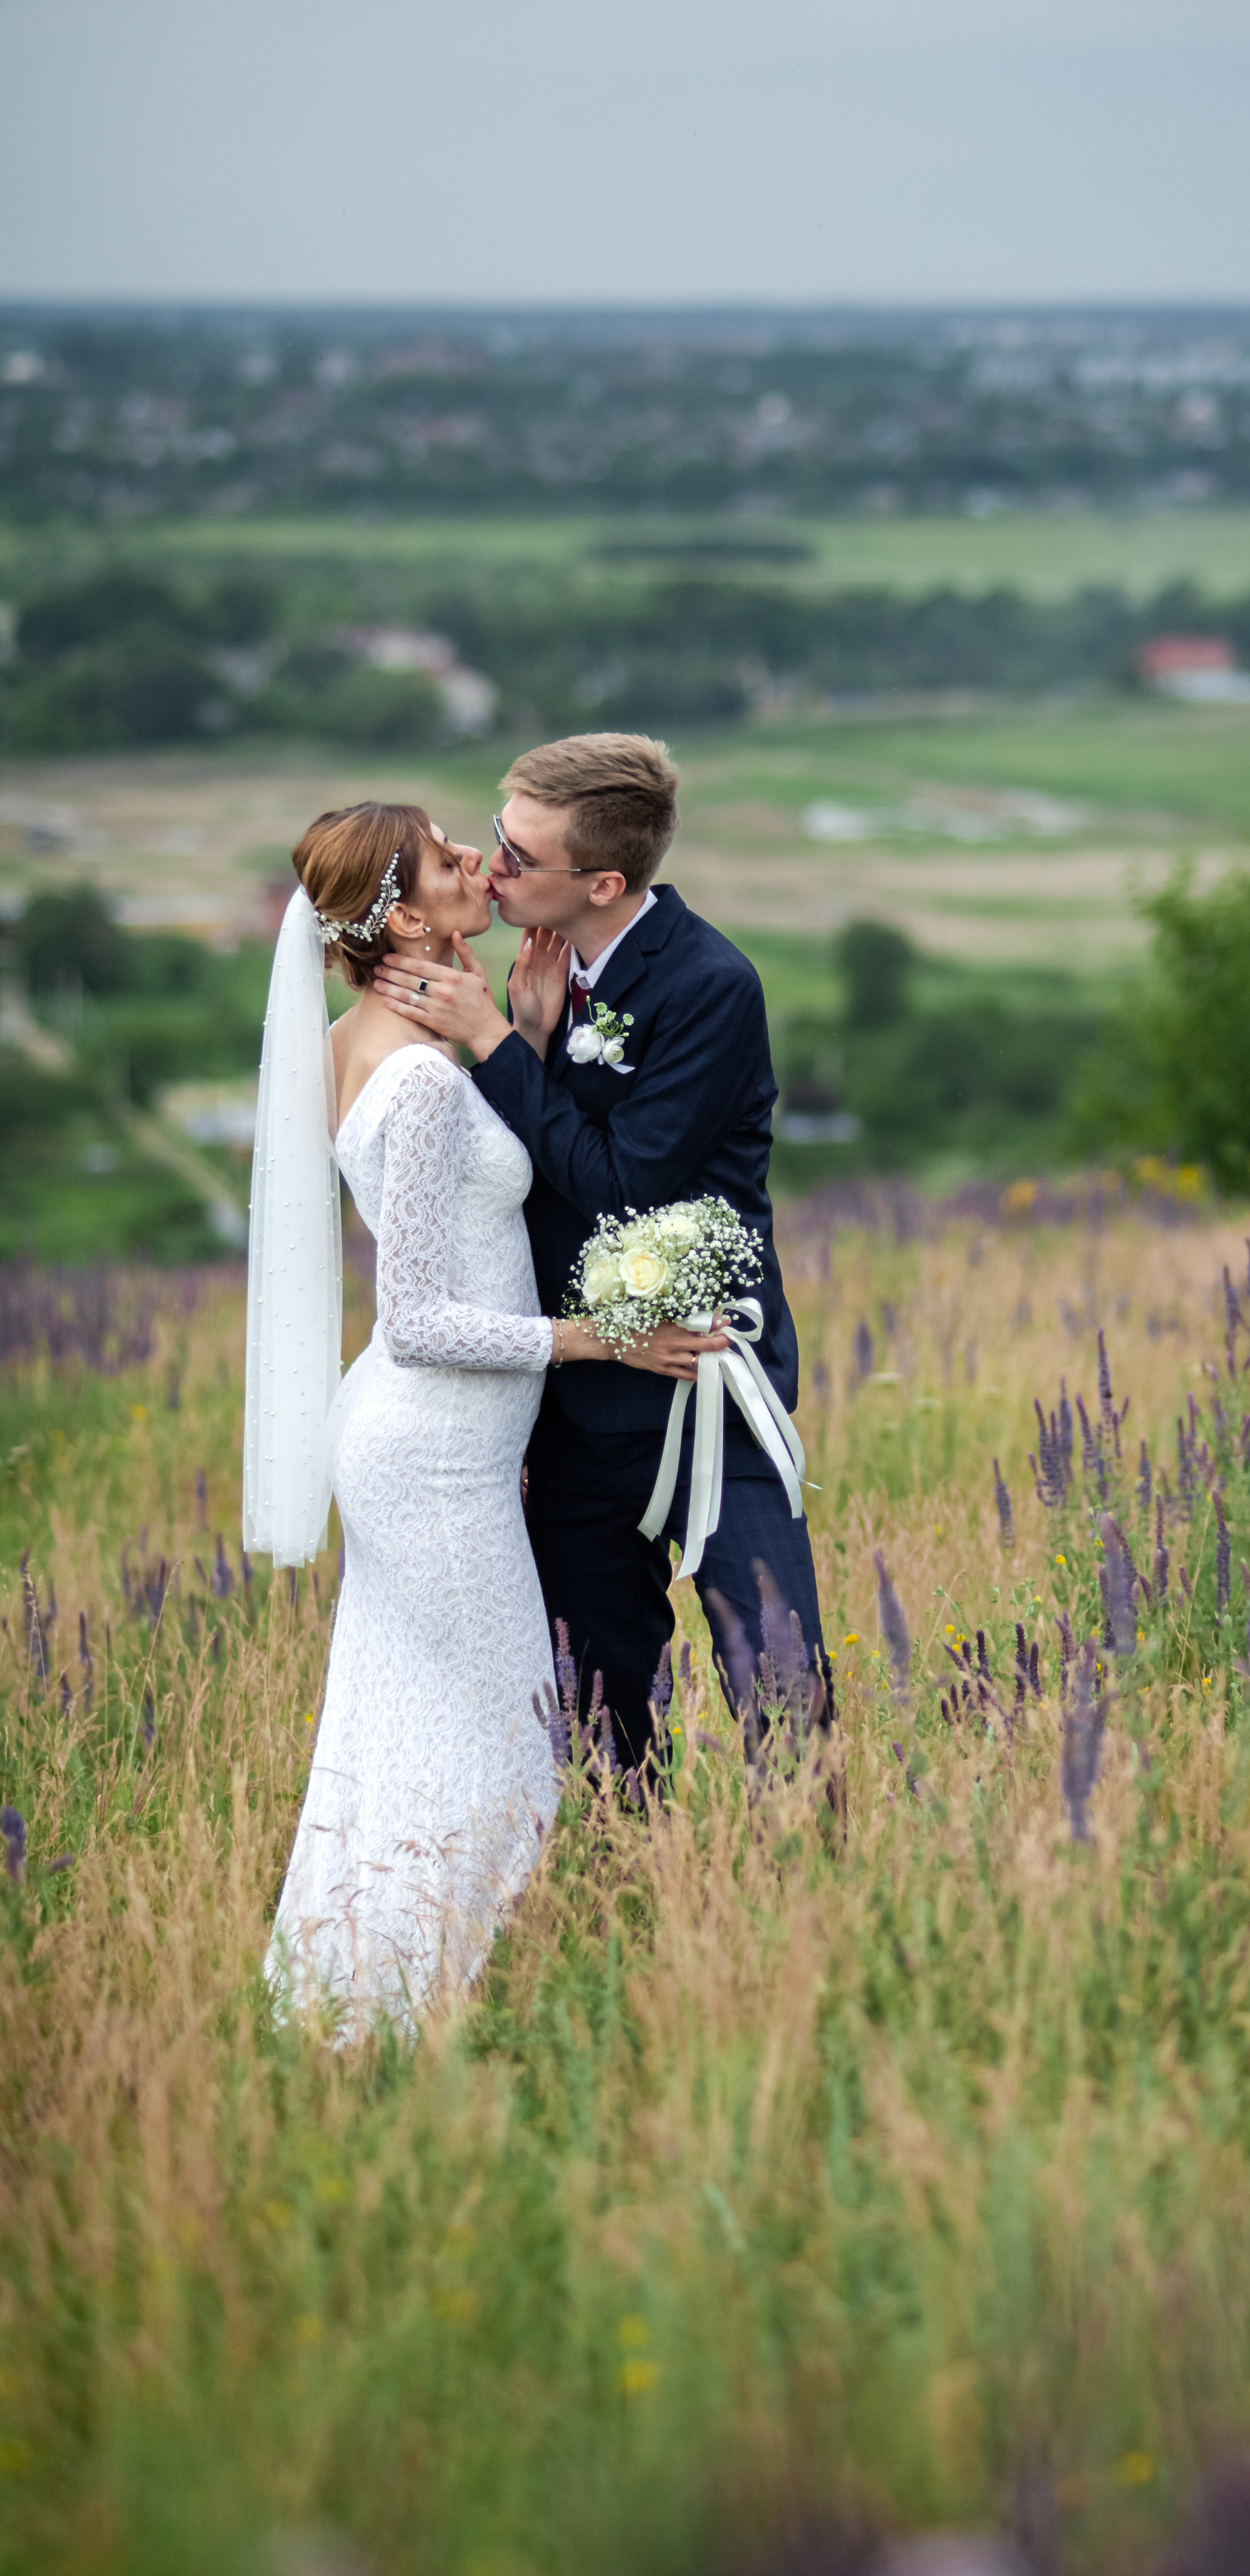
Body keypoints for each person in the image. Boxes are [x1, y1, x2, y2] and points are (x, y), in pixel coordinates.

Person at [246, 802, 724, 2031]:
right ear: (402, 916)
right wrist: (591, 1337)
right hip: (432, 1454)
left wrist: (522, 1039)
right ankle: (411, 2006)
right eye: (454, 861)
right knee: (510, 1742)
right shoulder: (409, 1079)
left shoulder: (386, 1042)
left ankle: (358, 1997)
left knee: (411, 1727)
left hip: (444, 1450)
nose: (483, 866)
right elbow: (412, 1317)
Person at [371, 734, 830, 1776]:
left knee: (779, 1672)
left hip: (703, 1373)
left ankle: (808, 1888)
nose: (492, 869)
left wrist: (497, 1045)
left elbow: (630, 1185)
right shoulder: (537, 977)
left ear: (605, 882)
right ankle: (634, 1876)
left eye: (519, 857)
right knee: (594, 1683)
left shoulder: (711, 984)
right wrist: (525, 1043)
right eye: (495, 840)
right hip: (576, 1398)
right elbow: (507, 1176)